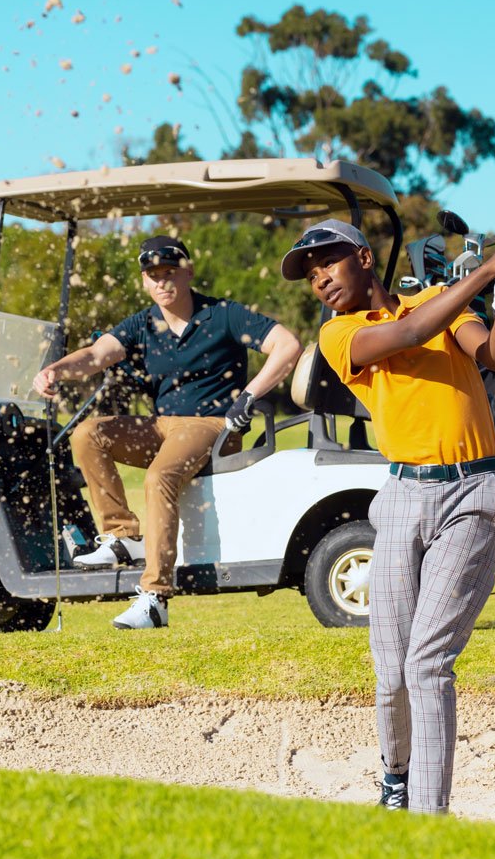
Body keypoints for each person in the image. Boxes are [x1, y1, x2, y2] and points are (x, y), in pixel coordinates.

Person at [279, 217, 495, 814]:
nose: (319, 279)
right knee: (390, 668)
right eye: (310, 274)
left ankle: (428, 819)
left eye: (328, 263)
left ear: (364, 259)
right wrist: (487, 268)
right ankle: (395, 774)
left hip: (471, 495)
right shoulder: (340, 337)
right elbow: (413, 328)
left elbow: (492, 357)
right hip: (399, 499)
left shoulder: (439, 302)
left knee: (427, 662)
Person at [33, 234, 302, 630]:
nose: (162, 282)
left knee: (160, 476)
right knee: (87, 433)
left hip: (213, 425)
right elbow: (94, 356)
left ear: (188, 272)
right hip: (163, 425)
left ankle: (155, 597)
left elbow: (287, 344)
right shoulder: (143, 323)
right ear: (144, 281)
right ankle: (122, 534)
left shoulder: (223, 314)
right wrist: (55, 370)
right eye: (153, 275)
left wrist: (248, 396)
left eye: (170, 272)